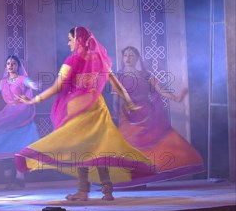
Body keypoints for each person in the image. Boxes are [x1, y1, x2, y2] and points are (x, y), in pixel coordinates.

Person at [16, 26, 154, 201]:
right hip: (97, 108)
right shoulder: (100, 59)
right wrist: (129, 102)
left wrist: (34, 100)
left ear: (79, 40)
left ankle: (83, 190)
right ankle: (106, 190)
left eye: (70, 39)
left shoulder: (72, 60)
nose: (68, 43)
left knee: (80, 148)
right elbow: (117, 85)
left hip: (78, 108)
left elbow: (57, 86)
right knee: (98, 148)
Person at [113, 46, 204, 187]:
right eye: (125, 55)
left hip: (146, 113)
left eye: (131, 55)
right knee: (129, 146)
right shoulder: (118, 76)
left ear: (137, 58)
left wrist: (176, 98)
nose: (128, 58)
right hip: (128, 116)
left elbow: (160, 90)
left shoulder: (145, 75)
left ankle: (146, 176)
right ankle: (129, 179)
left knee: (160, 142)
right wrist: (118, 112)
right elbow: (117, 98)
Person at [0, 55, 40, 189]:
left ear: (18, 66)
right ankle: (8, 179)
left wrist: (35, 85)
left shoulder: (23, 79)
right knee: (4, 143)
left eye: (14, 63)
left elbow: (31, 84)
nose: (11, 65)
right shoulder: (3, 82)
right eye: (8, 63)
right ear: (6, 66)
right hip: (7, 114)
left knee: (19, 146)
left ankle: (20, 178)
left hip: (21, 114)